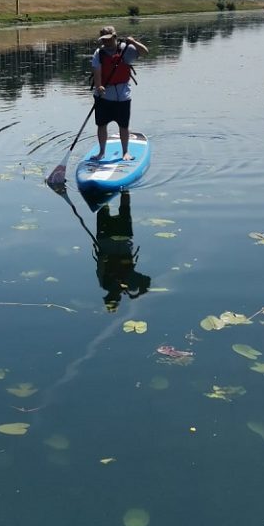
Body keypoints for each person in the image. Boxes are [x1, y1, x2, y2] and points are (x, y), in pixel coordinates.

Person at [90, 24, 149, 160]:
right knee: (101, 125)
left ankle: (125, 152)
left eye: (108, 39)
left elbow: (145, 52)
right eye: (103, 39)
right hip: (103, 97)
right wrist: (99, 87)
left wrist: (133, 42)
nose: (105, 41)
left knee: (123, 125)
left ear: (115, 37)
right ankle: (101, 152)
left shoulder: (125, 49)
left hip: (123, 96)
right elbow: (97, 72)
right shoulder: (99, 53)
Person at [93, 190, 152, 311]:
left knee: (104, 208)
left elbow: (100, 265)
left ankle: (105, 189)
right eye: (113, 298)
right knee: (125, 208)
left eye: (109, 297)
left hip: (106, 239)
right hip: (122, 238)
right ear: (119, 299)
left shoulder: (105, 284)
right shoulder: (131, 285)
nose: (112, 295)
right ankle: (124, 189)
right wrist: (141, 292)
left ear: (107, 296)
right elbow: (147, 281)